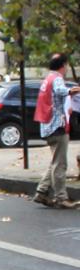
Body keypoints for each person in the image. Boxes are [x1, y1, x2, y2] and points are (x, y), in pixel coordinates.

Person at [34, 53, 80, 209]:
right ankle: (61, 198)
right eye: (66, 65)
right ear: (63, 65)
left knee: (55, 161)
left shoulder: (48, 78)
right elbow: (61, 90)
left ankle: (41, 192)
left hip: (47, 126)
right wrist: (72, 91)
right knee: (60, 164)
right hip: (57, 126)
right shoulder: (57, 79)